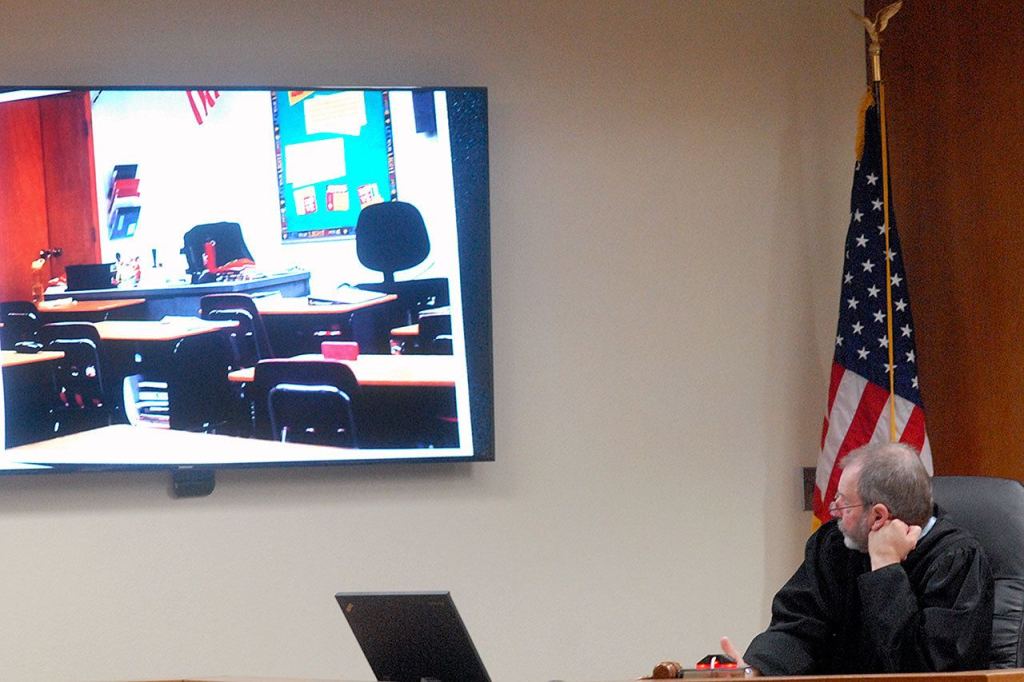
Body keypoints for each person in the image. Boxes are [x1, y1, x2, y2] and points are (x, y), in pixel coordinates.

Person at [721, 442, 994, 676]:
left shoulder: (957, 561)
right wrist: (758, 670)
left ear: (878, 516)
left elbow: (924, 670)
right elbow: (798, 625)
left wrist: (885, 567)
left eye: (843, 502)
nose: (834, 510)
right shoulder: (835, 546)